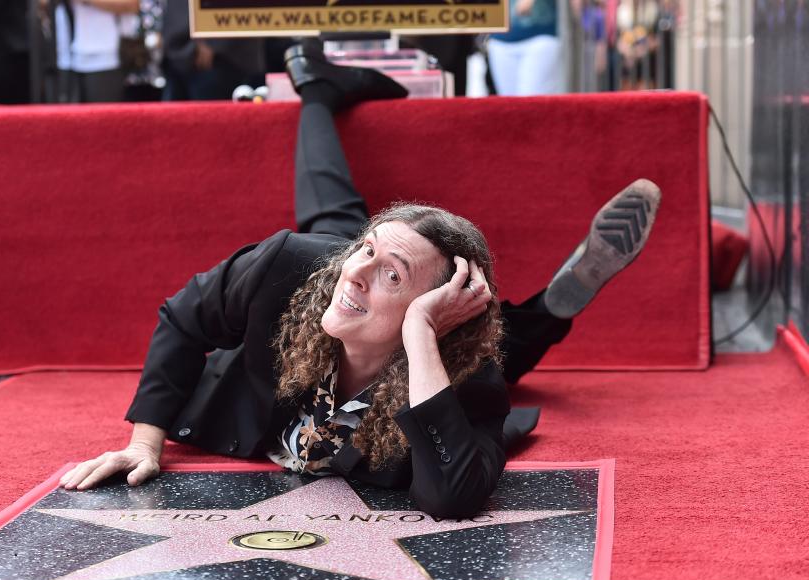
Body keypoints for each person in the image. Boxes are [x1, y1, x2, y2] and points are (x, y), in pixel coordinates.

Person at [60, 42, 661, 518]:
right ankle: (323, 98)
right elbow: (183, 318)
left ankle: (543, 309)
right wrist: (145, 442)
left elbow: (451, 496)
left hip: (433, 344)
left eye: (391, 273)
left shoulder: (465, 378)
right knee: (340, 245)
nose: (358, 269)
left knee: (489, 349)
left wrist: (422, 333)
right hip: (335, 280)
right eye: (365, 252)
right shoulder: (291, 266)